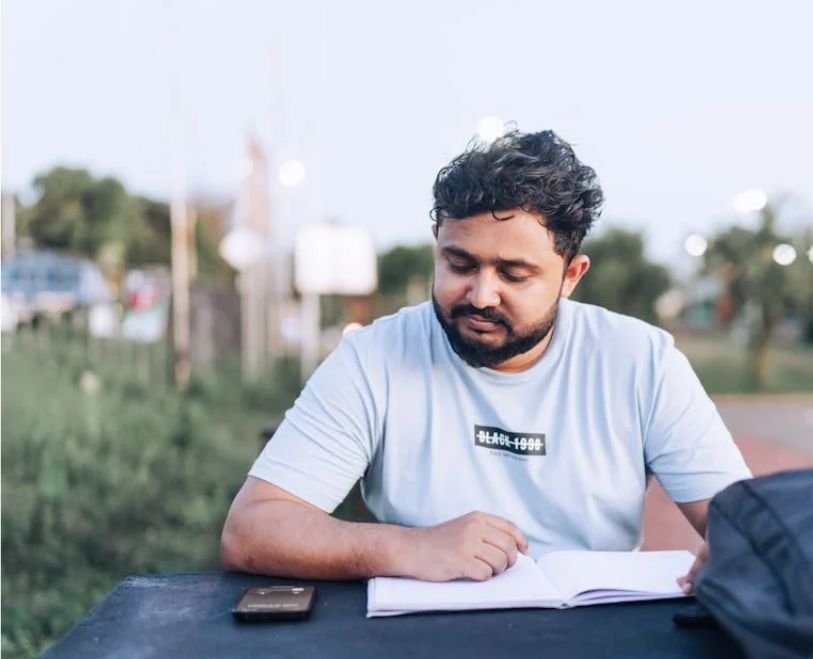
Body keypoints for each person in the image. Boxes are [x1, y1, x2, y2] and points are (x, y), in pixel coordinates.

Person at [220, 129, 750, 592]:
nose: (480, 295)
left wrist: (741, 549)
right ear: (437, 245)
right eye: (459, 263)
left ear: (572, 275)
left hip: (599, 658)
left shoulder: (642, 362)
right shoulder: (372, 358)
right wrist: (408, 549)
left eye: (514, 275)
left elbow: (748, 527)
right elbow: (251, 530)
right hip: (419, 657)